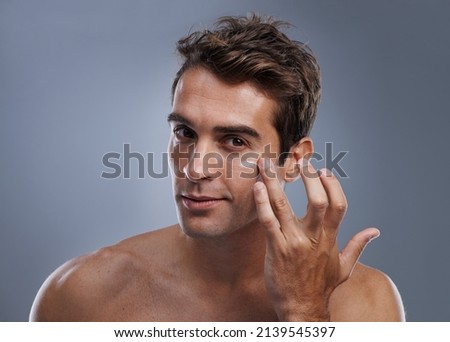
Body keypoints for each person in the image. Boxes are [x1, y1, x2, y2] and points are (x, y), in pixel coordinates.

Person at [29, 14, 405, 322]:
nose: (195, 168)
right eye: (185, 132)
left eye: (235, 141)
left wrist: (305, 312)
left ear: (292, 161)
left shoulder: (366, 306)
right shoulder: (79, 296)